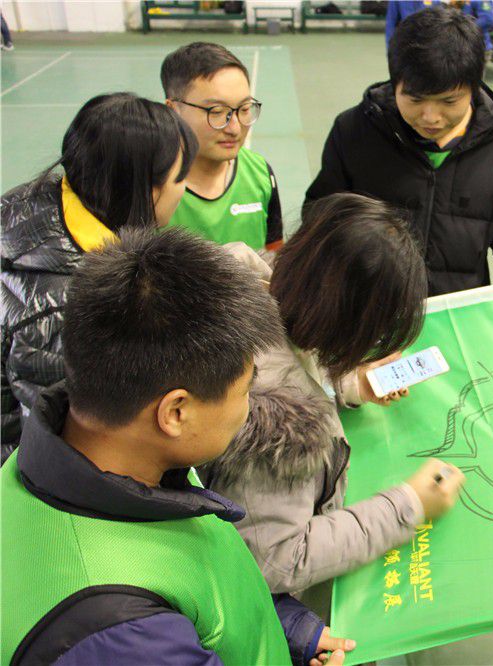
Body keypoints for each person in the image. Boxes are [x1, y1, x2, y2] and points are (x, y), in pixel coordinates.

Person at [0, 228, 352, 666]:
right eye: (246, 390)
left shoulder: (92, 457)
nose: (249, 406)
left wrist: (286, 628)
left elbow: (199, 590)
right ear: (176, 413)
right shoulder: (125, 639)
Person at [200, 193, 466, 619]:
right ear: (351, 328)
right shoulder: (281, 428)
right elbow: (276, 558)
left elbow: (288, 340)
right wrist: (409, 505)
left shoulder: (239, 276)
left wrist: (350, 381)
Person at [304, 5, 493, 296]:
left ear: (473, 87)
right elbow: (320, 211)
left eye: (449, 102)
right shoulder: (355, 130)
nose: (430, 117)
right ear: (395, 82)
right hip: (371, 306)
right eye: (415, 100)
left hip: (455, 307)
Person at [1, 92, 196, 460]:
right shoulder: (66, 307)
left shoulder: (35, 205)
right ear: (147, 188)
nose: (184, 189)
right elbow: (59, 444)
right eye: (181, 177)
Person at [162, 42, 283, 251]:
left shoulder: (260, 173)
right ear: (173, 110)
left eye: (244, 109)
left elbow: (276, 256)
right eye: (217, 112)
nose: (234, 128)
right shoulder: (150, 186)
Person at [386, 0, 493, 52]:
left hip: (474, 46)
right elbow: (391, 23)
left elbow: (487, 20)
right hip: (407, 47)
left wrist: (460, 28)